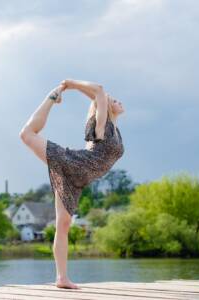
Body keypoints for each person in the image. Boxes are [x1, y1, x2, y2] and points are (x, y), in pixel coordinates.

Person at [19, 79, 125, 289]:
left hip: (77, 180)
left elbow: (98, 96)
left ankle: (61, 278)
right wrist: (69, 84)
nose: (118, 101)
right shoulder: (102, 125)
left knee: (63, 225)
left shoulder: (114, 127)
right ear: (104, 106)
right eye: (113, 100)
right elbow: (100, 92)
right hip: (73, 164)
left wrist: (96, 97)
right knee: (27, 135)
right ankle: (51, 96)